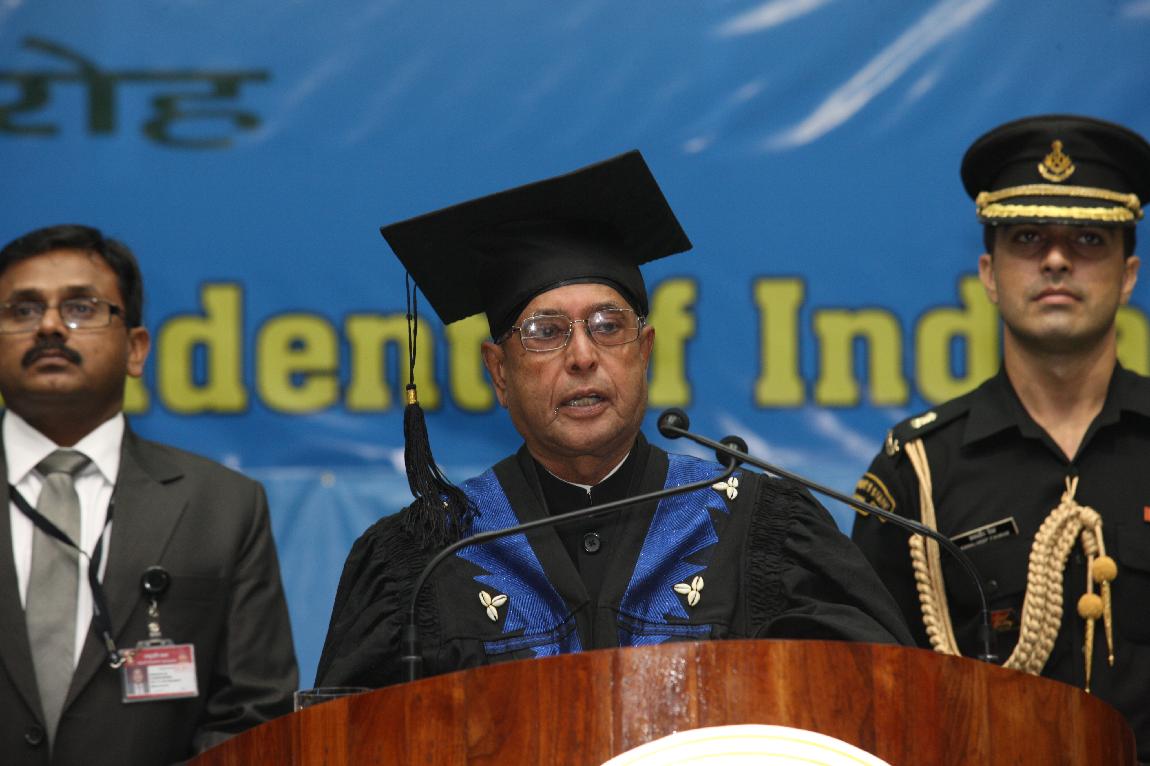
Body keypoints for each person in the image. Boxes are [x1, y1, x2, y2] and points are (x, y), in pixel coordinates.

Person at [316, 150, 911, 689]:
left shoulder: (758, 529)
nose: (582, 356)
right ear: (499, 372)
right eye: (545, 331)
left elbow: (882, 702)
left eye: (608, 326)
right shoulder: (426, 557)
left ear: (644, 352)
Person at [851, 114, 1150, 760]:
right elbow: (871, 693)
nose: (1056, 260)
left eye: (1089, 239)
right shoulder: (918, 471)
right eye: (1027, 238)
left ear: (1129, 274)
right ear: (988, 273)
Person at [0, 225, 298, 765]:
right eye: (23, 310)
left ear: (136, 349)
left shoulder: (222, 507)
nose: (49, 326)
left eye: (81, 308)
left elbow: (252, 716)